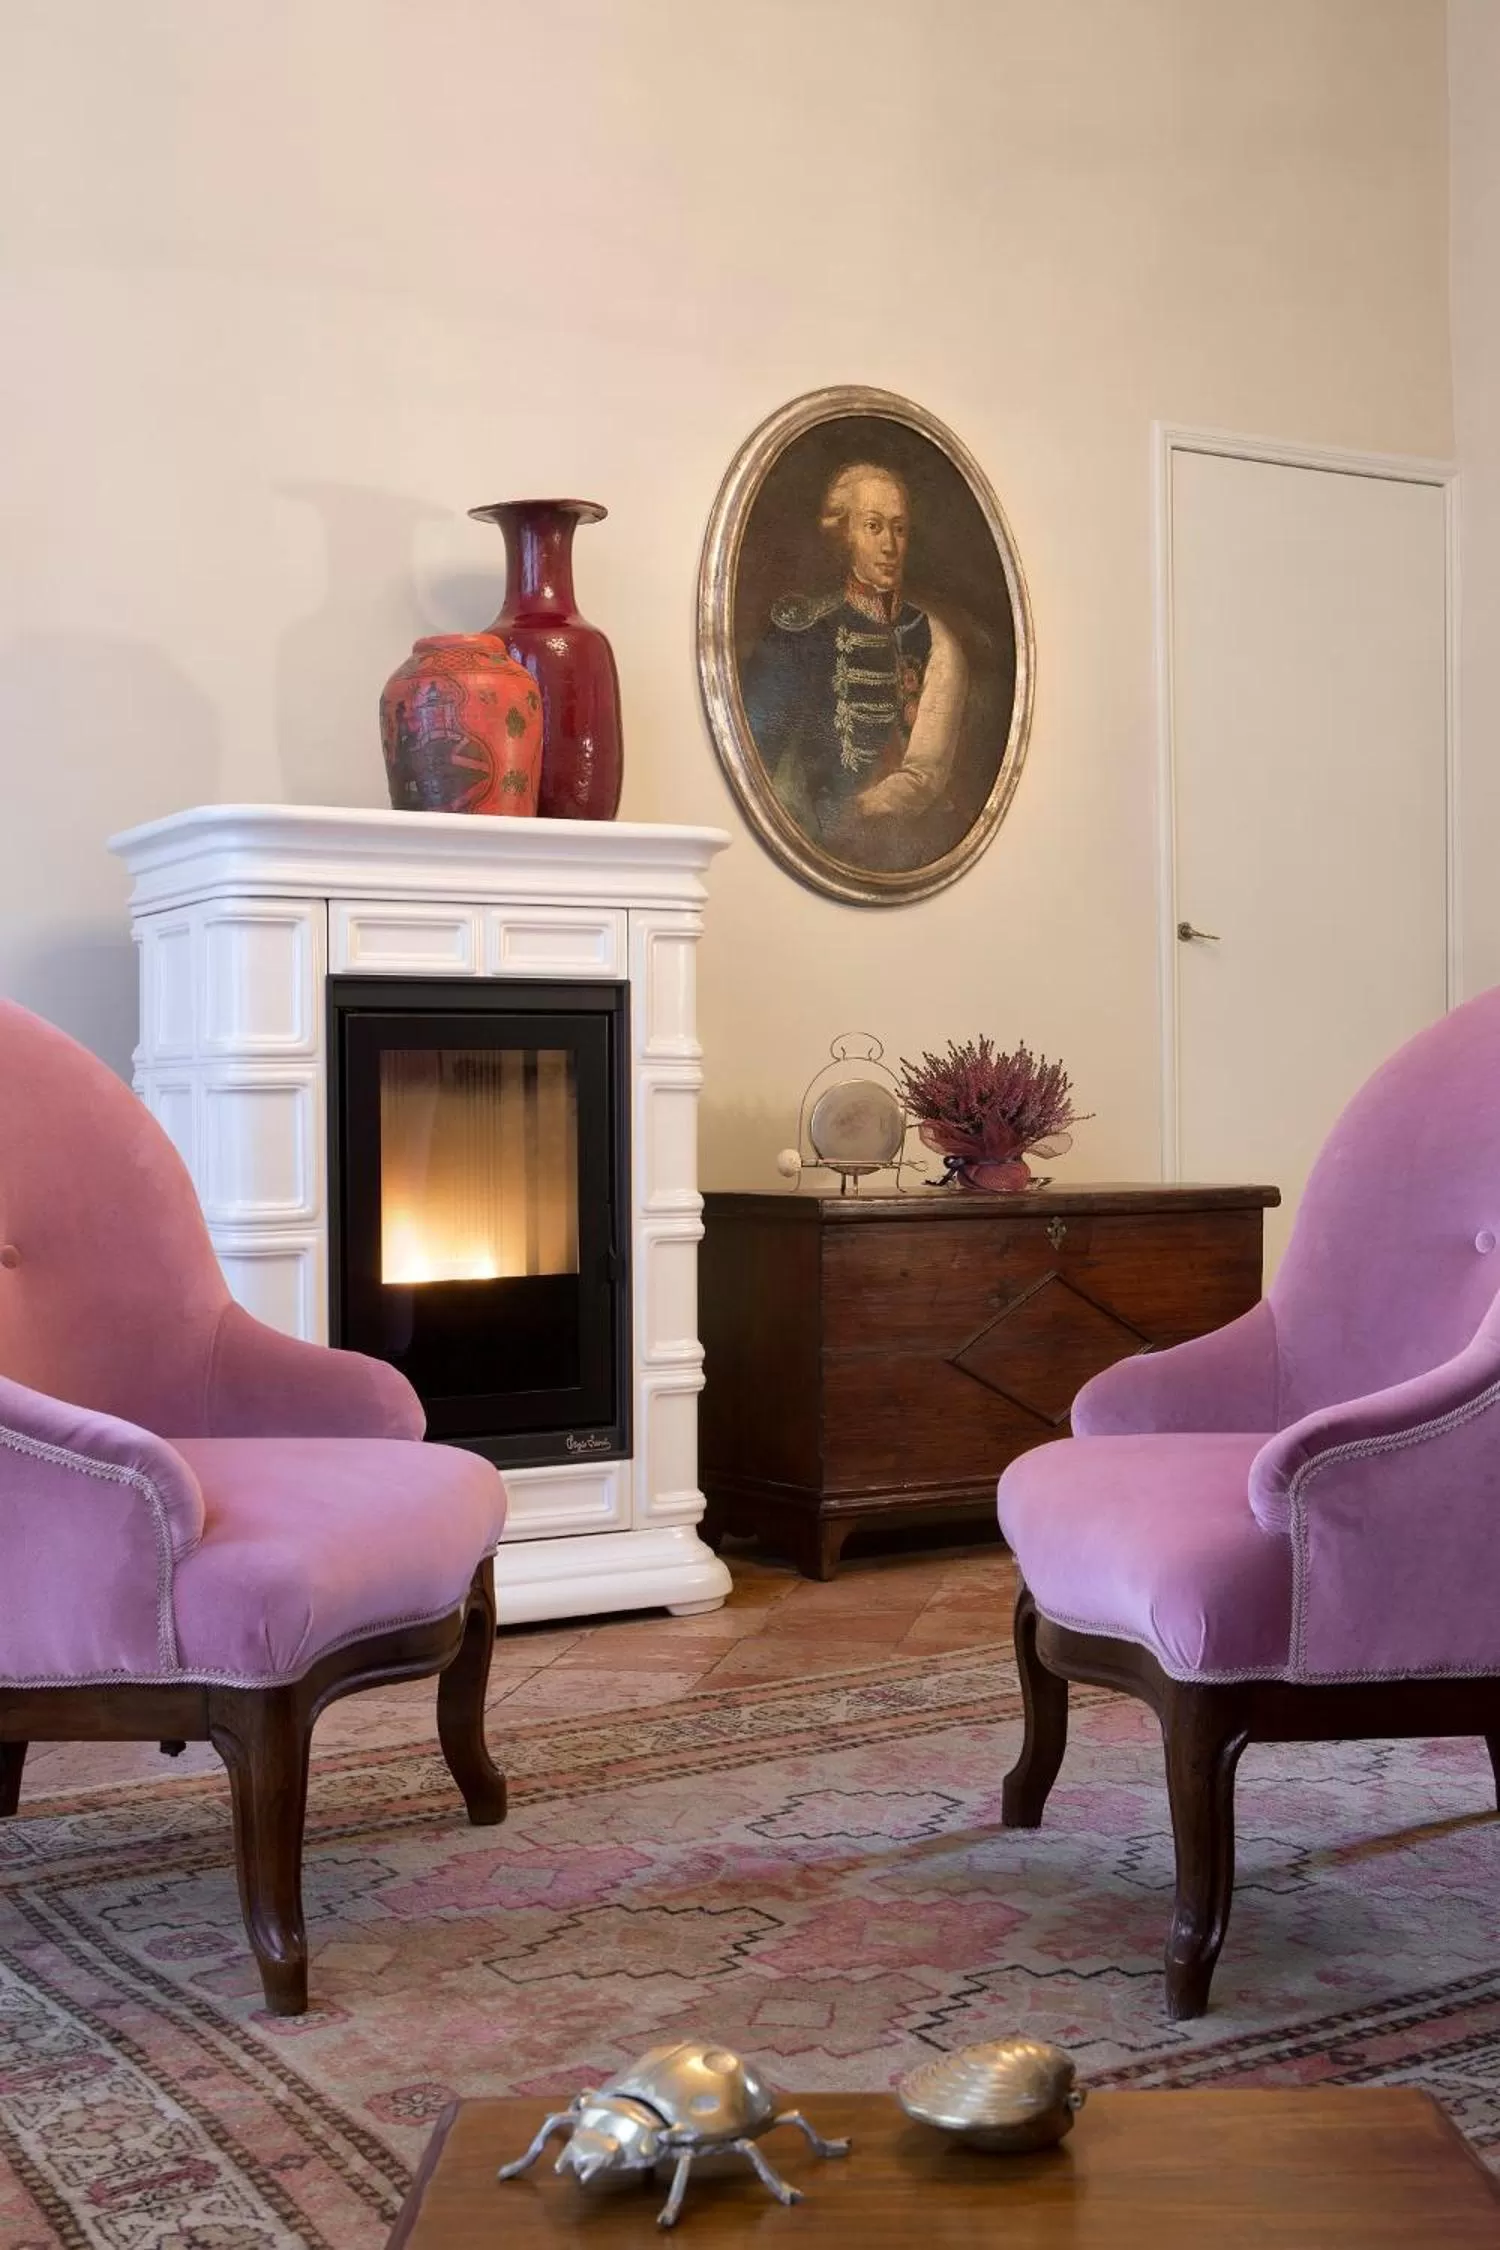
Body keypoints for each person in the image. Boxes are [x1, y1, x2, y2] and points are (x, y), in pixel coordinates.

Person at [741, 463, 968, 869]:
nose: (889, 546)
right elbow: (757, 755)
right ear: (845, 534)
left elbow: (926, 773)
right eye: (873, 526)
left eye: (898, 529)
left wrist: (863, 810)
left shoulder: (936, 638)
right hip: (802, 848)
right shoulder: (800, 632)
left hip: (906, 851)